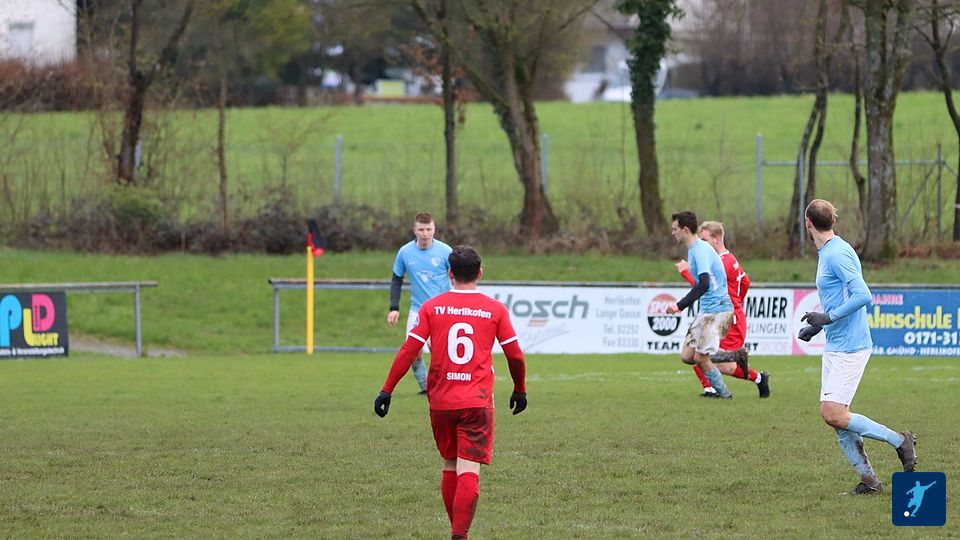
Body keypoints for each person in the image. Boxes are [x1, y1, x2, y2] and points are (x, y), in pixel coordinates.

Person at [374, 245, 527, 540]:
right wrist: (519, 389)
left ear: (450, 274)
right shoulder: (495, 309)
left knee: (450, 464)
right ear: (480, 273)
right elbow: (515, 356)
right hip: (476, 401)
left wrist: (386, 390)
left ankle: (457, 533)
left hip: (441, 402)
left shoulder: (432, 308)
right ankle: (459, 534)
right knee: (469, 467)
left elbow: (409, 349)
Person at [797, 199, 916, 495]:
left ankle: (899, 441)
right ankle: (869, 482)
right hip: (837, 342)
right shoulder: (830, 250)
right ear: (833, 221)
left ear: (807, 222)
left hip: (851, 345)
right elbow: (841, 298)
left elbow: (863, 295)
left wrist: (828, 317)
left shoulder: (836, 253)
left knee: (833, 414)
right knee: (837, 419)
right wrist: (819, 326)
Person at [675, 220, 770, 398]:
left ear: (717, 239)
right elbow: (745, 282)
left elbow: (704, 287)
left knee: (715, 361)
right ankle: (714, 388)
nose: (701, 243)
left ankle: (754, 378)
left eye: (704, 239)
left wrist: (686, 272)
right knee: (696, 355)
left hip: (725, 316)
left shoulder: (721, 262)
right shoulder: (728, 259)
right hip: (724, 313)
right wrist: (737, 303)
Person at [665, 211, 736, 399]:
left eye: (675, 229)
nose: (673, 233)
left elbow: (704, 283)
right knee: (687, 356)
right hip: (707, 310)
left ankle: (724, 394)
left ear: (685, 230)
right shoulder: (694, 249)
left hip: (717, 309)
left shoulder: (700, 250)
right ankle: (735, 356)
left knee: (700, 358)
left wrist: (679, 305)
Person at [388, 212, 453, 394]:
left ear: (434, 230)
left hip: (442, 310)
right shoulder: (405, 252)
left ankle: (443, 386)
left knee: (437, 349)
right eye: (421, 230)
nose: (425, 234)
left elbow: (457, 278)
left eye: (428, 229)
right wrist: (394, 308)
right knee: (413, 352)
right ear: (414, 230)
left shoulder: (445, 251)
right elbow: (396, 279)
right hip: (418, 310)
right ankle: (426, 387)